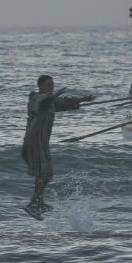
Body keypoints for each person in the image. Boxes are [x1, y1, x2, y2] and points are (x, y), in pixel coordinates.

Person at [22, 75, 93, 220]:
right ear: (41, 86)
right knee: (42, 173)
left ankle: (38, 202)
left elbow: (66, 102)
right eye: (48, 85)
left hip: (43, 143)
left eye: (52, 85)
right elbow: (37, 102)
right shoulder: (34, 97)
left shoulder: (52, 103)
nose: (51, 87)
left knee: (48, 174)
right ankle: (33, 203)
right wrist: (51, 95)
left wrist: (83, 99)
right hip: (34, 141)